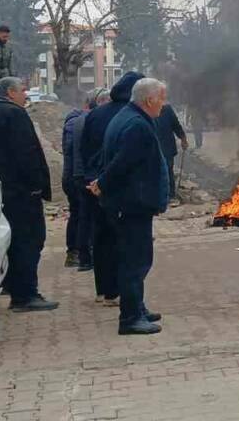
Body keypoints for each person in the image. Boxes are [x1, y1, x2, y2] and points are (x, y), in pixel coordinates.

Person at [0, 76, 58, 311]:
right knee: (30, 240)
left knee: (11, 240)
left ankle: (10, 283)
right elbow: (26, 153)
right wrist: (36, 184)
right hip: (21, 191)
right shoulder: (15, 114)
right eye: (23, 91)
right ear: (10, 92)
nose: (26, 95)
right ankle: (26, 295)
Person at [98, 78, 170, 335]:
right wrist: (102, 183)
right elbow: (122, 163)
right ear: (149, 100)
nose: (164, 103)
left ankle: (137, 308)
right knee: (135, 262)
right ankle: (130, 318)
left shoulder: (127, 117)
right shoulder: (137, 125)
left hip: (129, 203)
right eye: (162, 98)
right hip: (132, 205)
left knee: (137, 259)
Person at [81, 71, 146, 305]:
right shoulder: (131, 116)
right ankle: (121, 294)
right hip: (118, 187)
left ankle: (103, 290)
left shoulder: (95, 114)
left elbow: (84, 148)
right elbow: (127, 157)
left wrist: (90, 178)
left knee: (101, 238)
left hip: (92, 182)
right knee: (124, 241)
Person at [70, 88, 110, 272]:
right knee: (95, 218)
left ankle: (84, 258)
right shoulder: (94, 120)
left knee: (84, 217)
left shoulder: (78, 120)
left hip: (79, 174)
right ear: (100, 101)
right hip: (91, 175)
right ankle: (93, 256)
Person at [61, 96, 92, 268]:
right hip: (77, 177)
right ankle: (78, 253)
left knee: (78, 214)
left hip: (72, 176)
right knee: (81, 215)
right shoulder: (78, 123)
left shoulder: (72, 122)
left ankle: (74, 254)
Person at [154, 102, 188, 204]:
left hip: (167, 147)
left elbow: (176, 125)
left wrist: (183, 138)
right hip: (153, 148)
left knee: (168, 170)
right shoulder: (145, 110)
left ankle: (170, 194)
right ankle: (158, 195)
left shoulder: (167, 109)